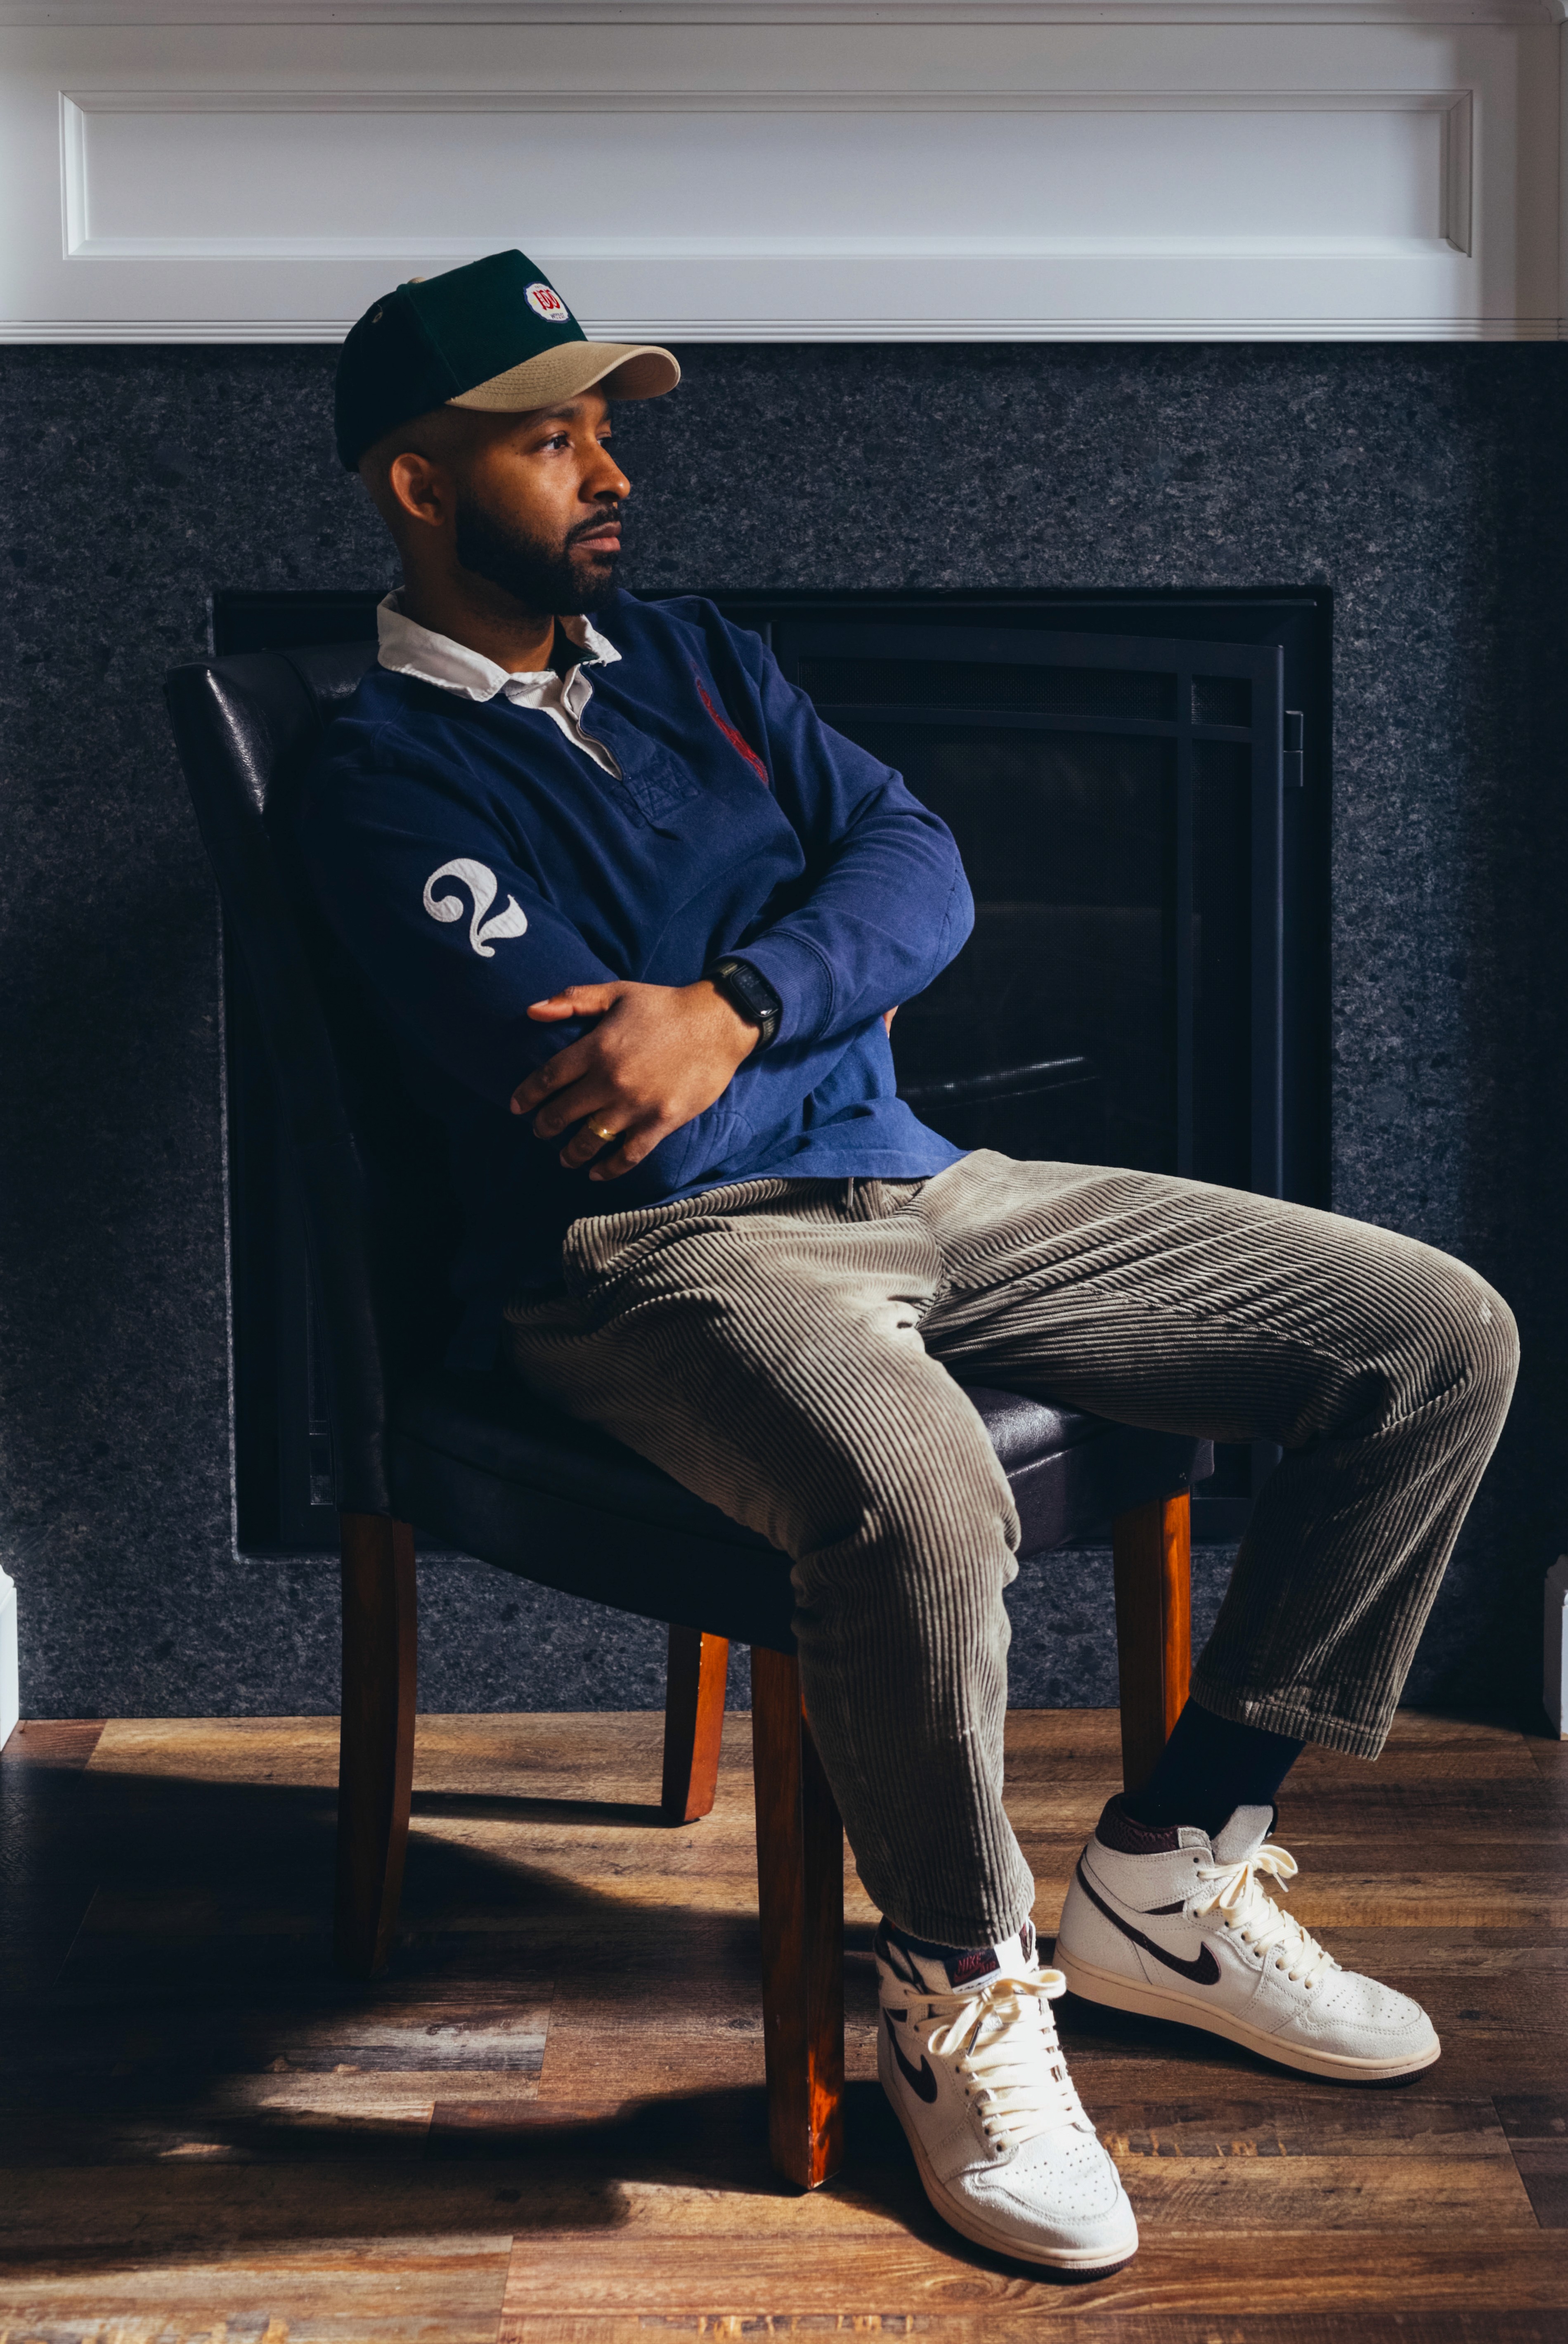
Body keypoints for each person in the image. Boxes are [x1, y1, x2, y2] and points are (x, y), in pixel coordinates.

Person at [298, 248, 1519, 2275]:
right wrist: (751, 993)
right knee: (922, 1487)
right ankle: (952, 1994)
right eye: (551, 437)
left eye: (609, 428)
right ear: (419, 488)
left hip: (925, 1182)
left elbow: (921, 863)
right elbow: (608, 1100)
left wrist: (741, 996)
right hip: (667, 1264)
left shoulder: (697, 657)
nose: (608, 470)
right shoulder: (375, 780)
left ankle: (1172, 1869)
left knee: (1426, 1330)